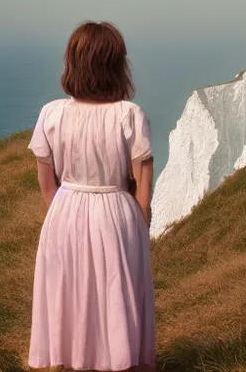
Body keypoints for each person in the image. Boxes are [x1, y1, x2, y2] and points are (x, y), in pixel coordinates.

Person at [29, 22, 156, 371]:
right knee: (119, 295)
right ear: (117, 65)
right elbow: (142, 178)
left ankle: (73, 361)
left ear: (73, 62)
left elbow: (46, 183)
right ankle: (121, 360)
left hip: (65, 208)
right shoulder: (129, 115)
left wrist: (63, 215)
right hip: (117, 210)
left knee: (69, 294)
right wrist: (139, 222)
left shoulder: (51, 114)